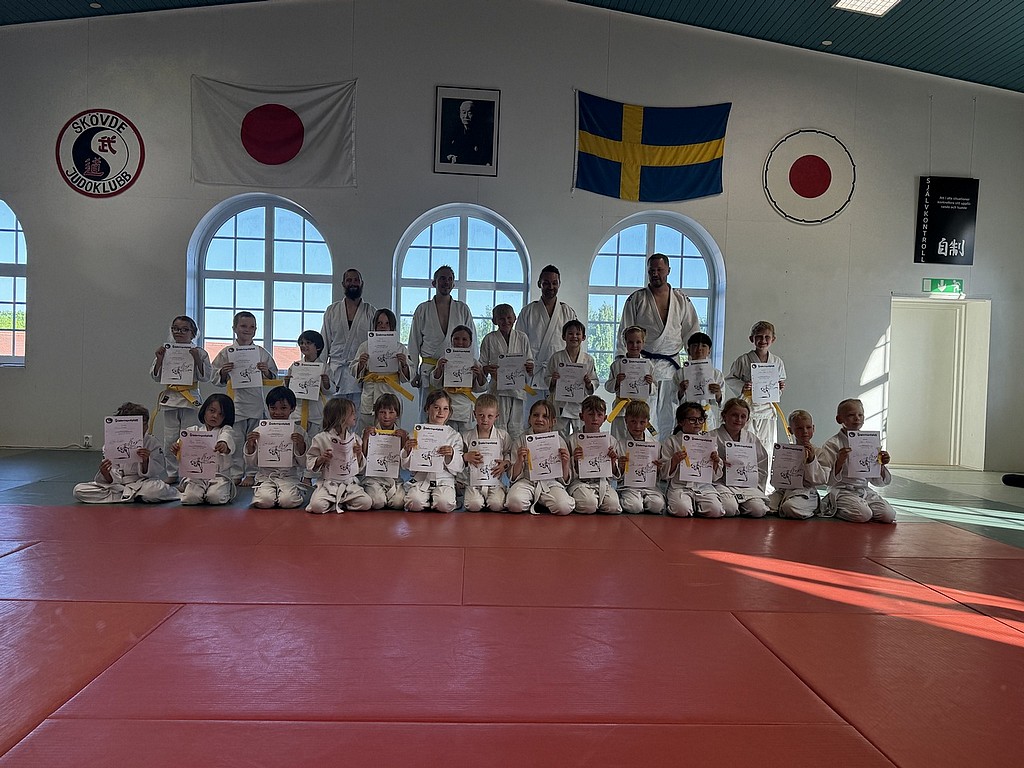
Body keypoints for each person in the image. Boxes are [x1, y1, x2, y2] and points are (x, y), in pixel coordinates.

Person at [617, 253, 701, 437]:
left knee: (669, 414)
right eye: (651, 270)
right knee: (643, 415)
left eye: (659, 270)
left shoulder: (681, 300)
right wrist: (622, 362)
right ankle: (643, 452)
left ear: (668, 271)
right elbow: (625, 331)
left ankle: (666, 452)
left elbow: (692, 334)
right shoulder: (636, 299)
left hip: (671, 367)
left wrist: (696, 366)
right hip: (642, 367)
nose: (655, 274)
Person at [211, 311, 278, 485]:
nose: (247, 329)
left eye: (251, 327)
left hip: (255, 403)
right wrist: (223, 372)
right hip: (235, 403)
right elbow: (214, 377)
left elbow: (274, 375)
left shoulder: (261, 352)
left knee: (253, 440)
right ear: (234, 328)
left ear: (255, 330)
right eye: (243, 326)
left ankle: (251, 473)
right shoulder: (227, 352)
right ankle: (235, 473)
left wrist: (266, 371)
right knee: (235, 440)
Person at [73, 403, 179, 504]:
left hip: (143, 483)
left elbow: (157, 470)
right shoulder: (111, 444)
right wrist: (105, 473)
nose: (143, 428)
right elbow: (112, 476)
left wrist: (146, 461)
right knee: (79, 490)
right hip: (118, 485)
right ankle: (133, 496)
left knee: (153, 491)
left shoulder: (152, 442)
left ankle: (126, 496)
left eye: (145, 424)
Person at [151, 315, 212, 483]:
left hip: (190, 399)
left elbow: (206, 377)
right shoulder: (166, 350)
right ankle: (172, 473)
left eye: (185, 329)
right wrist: (160, 360)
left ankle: (189, 473)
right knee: (170, 439)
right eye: (176, 329)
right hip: (170, 398)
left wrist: (197, 359)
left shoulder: (200, 352)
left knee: (189, 437)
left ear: (193, 333)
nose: (179, 332)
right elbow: (155, 376)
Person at [407, 265, 476, 414]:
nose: (446, 282)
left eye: (450, 279)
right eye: (442, 278)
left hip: (456, 370)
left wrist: (472, 368)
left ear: (453, 284)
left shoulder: (462, 309)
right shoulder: (423, 309)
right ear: (434, 283)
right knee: (428, 415)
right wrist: (413, 372)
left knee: (452, 414)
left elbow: (472, 341)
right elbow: (414, 342)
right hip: (429, 369)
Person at [817, 398, 896, 523]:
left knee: (888, 515)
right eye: (851, 415)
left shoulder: (869, 442)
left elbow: (879, 482)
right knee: (864, 515)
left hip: (864, 490)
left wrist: (881, 464)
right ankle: (833, 506)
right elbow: (826, 480)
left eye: (860, 415)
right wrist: (839, 462)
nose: (857, 418)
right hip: (842, 490)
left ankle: (861, 505)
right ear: (839, 419)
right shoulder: (832, 444)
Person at [515, 265, 578, 416]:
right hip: (533, 374)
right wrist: (524, 365)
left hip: (559, 375)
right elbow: (519, 344)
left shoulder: (567, 312)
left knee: (556, 421)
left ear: (559, 284)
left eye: (554, 283)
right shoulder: (528, 311)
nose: (551, 287)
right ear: (539, 284)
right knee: (532, 418)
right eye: (546, 283)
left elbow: (575, 345)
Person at [726, 321, 787, 462]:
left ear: (773, 339)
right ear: (751, 339)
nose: (763, 340)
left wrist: (779, 387)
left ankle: (766, 476)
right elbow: (730, 378)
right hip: (749, 408)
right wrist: (743, 386)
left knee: (767, 446)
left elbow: (781, 381)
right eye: (759, 336)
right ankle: (745, 474)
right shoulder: (743, 360)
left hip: (768, 409)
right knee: (747, 444)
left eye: (767, 337)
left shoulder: (777, 362)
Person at [242, 387, 307, 509]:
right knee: (264, 501)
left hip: (289, 477)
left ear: (292, 408)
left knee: (287, 502)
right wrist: (250, 445)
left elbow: (304, 463)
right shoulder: (260, 430)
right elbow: (251, 463)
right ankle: (264, 491)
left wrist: (301, 445)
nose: (278, 412)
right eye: (273, 408)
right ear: (268, 408)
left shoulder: (299, 432)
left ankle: (297, 491)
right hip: (266, 476)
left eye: (283, 408)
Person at [506, 400, 575, 515]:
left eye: (545, 416)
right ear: (529, 419)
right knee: (514, 503)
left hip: (550, 482)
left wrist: (565, 463)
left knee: (564, 507)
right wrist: (519, 460)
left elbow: (565, 479)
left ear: (553, 421)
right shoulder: (521, 440)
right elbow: (512, 476)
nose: (539, 419)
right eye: (536, 415)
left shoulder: (559, 441)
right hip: (526, 481)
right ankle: (533, 500)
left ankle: (541, 501)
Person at [306, 397, 372, 514]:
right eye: (352, 413)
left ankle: (341, 502)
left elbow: (360, 467)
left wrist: (358, 453)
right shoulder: (321, 438)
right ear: (341, 417)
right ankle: (337, 502)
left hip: (349, 483)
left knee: (366, 503)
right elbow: (310, 462)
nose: (355, 415)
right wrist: (322, 458)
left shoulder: (355, 439)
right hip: (329, 482)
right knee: (317, 506)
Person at [321, 268, 377, 405]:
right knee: (335, 413)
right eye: (349, 280)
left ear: (362, 283)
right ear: (343, 284)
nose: (353, 283)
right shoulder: (332, 311)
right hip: (336, 371)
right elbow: (324, 343)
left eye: (356, 280)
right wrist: (321, 369)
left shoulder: (371, 312)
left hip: (360, 371)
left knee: (357, 414)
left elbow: (375, 345)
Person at [402, 390, 464, 513]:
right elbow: (406, 466)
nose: (441, 412)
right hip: (421, 478)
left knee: (444, 504)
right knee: (414, 503)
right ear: (427, 408)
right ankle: (428, 500)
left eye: (445, 408)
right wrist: (407, 451)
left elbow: (459, 467)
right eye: (436, 407)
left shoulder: (454, 436)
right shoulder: (416, 433)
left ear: (450, 412)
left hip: (444, 479)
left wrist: (451, 454)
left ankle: (440, 498)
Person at [660, 402, 725, 517]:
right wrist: (674, 461)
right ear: (681, 422)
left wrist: (716, 462)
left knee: (716, 510)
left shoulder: (708, 442)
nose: (697, 423)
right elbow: (663, 474)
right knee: (682, 510)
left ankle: (697, 506)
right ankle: (690, 505)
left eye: (700, 419)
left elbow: (715, 476)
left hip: (702, 486)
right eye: (692, 420)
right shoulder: (671, 441)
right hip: (680, 486)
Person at [352, 308, 412, 432]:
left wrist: (404, 365)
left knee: (391, 431)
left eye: (387, 323)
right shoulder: (365, 346)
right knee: (367, 430)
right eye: (379, 323)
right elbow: (353, 371)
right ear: (374, 325)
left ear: (392, 326)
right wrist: (361, 364)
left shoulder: (400, 347)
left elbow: (408, 376)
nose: (383, 326)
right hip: (370, 392)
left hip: (391, 391)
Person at [480, 304, 534, 441]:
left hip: (517, 390)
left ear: (515, 318)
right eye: (501, 318)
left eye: (509, 318)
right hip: (498, 389)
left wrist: (529, 367)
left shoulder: (522, 337)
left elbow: (529, 360)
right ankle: (497, 452)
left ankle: (515, 453)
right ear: (494, 320)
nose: (506, 321)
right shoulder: (489, 339)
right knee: (499, 425)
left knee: (516, 427)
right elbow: (482, 364)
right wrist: (487, 369)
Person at [176, 393, 237, 506]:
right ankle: (196, 491)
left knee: (215, 498)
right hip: (197, 476)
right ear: (204, 411)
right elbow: (182, 447)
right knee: (190, 498)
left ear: (226, 417)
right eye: (212, 411)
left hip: (218, 476)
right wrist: (177, 448)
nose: (215, 416)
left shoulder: (225, 430)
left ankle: (222, 489)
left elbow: (227, 438)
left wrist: (223, 444)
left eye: (221, 414)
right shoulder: (193, 430)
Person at [713, 397, 770, 518]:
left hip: (746, 485)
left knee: (758, 510)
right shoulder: (711, 436)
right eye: (734, 415)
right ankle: (736, 505)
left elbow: (761, 465)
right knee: (729, 508)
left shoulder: (751, 439)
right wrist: (718, 464)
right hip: (721, 483)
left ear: (747, 419)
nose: (738, 420)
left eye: (743, 416)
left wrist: (753, 478)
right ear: (724, 415)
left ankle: (742, 505)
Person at [768, 409, 827, 519]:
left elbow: (821, 480)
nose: (805, 431)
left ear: (813, 428)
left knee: (789, 507)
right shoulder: (785, 452)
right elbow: (777, 479)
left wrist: (811, 460)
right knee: (763, 505)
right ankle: (780, 506)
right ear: (790, 430)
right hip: (785, 491)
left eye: (808, 427)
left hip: (806, 492)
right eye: (799, 428)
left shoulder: (819, 452)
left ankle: (813, 508)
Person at [567, 395, 622, 514]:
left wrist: (612, 462)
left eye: (599, 415)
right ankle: (591, 501)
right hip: (579, 483)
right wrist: (574, 460)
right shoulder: (572, 440)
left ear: (605, 418)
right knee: (589, 505)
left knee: (613, 506)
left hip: (602, 482)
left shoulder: (610, 441)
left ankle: (597, 500)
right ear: (581, 416)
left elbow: (614, 475)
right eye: (591, 414)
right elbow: (566, 472)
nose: (595, 418)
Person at [431, 324, 487, 434]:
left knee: (465, 438)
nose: (460, 342)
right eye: (456, 338)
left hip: (465, 405)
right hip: (448, 402)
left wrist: (480, 374)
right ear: (451, 340)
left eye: (464, 339)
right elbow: (435, 383)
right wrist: (439, 369)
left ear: (470, 342)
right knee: (447, 436)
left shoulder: (474, 362)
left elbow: (481, 388)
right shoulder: (443, 360)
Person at [546, 319, 596, 439]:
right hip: (561, 403)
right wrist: (553, 380)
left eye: (578, 334)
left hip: (580, 404)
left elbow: (594, 381)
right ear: (564, 337)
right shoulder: (556, 357)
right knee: (559, 435)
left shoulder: (588, 359)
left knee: (581, 435)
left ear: (583, 337)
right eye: (570, 333)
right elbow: (547, 377)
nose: (574, 336)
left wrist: (589, 383)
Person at [461, 394, 511, 513]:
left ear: (496, 416)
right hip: (473, 482)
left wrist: (505, 464)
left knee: (496, 505)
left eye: (490, 416)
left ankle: (498, 495)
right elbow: (459, 458)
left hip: (495, 481)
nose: (485, 419)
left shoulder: (502, 435)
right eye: (481, 415)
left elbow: (509, 453)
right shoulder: (466, 436)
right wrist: (466, 457)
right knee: (474, 505)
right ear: (474, 414)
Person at [604, 325, 655, 441]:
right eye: (630, 342)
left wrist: (650, 384)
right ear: (625, 343)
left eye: (638, 342)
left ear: (643, 343)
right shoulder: (617, 365)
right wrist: (617, 382)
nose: (634, 345)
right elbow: (608, 387)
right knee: (618, 440)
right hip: (621, 410)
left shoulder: (649, 365)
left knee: (638, 439)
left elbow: (653, 391)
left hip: (640, 411)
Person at [616, 401, 666, 515]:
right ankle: (634, 500)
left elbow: (661, 474)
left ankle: (645, 502)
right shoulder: (620, 444)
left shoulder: (655, 444)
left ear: (648, 422)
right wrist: (621, 466)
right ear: (626, 421)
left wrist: (659, 468)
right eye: (633, 421)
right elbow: (617, 476)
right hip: (629, 486)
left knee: (657, 505)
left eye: (642, 422)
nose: (637, 426)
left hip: (650, 485)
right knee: (634, 507)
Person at [361, 393, 408, 510]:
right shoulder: (369, 432)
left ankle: (389, 495)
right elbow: (363, 457)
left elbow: (405, 462)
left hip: (394, 478)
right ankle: (379, 494)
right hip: (374, 477)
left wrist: (403, 440)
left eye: (391, 412)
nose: (386, 416)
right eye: (382, 412)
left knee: (398, 503)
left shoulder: (402, 433)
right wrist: (365, 438)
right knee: (378, 502)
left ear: (397, 414)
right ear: (376, 413)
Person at [674, 332, 725, 431]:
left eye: (704, 346)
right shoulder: (680, 373)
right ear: (688, 350)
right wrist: (681, 391)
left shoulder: (716, 374)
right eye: (695, 345)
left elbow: (721, 403)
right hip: (686, 416)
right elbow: (672, 399)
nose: (699, 349)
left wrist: (718, 393)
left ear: (709, 351)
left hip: (706, 415)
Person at [285, 330, 331, 436]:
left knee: (315, 441)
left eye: (308, 343)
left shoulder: (324, 367)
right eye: (301, 343)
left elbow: (329, 392)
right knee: (297, 441)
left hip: (316, 413)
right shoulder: (295, 366)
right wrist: (287, 383)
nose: (303, 345)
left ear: (318, 347)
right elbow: (288, 392)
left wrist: (326, 383)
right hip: (297, 412)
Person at [442, 99, 492, 165]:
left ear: (475, 114)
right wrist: (450, 157)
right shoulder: (453, 131)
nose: (466, 116)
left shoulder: (482, 133)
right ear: (460, 114)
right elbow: (444, 152)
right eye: (464, 113)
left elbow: (484, 156)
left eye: (469, 113)